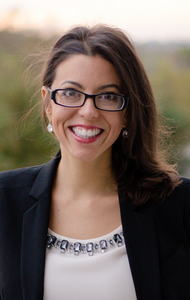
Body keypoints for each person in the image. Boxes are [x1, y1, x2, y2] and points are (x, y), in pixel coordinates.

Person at [0, 24, 190, 300]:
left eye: (108, 96)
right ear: (48, 103)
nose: (88, 112)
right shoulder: (4, 202)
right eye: (70, 93)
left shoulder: (179, 204)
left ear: (127, 112)